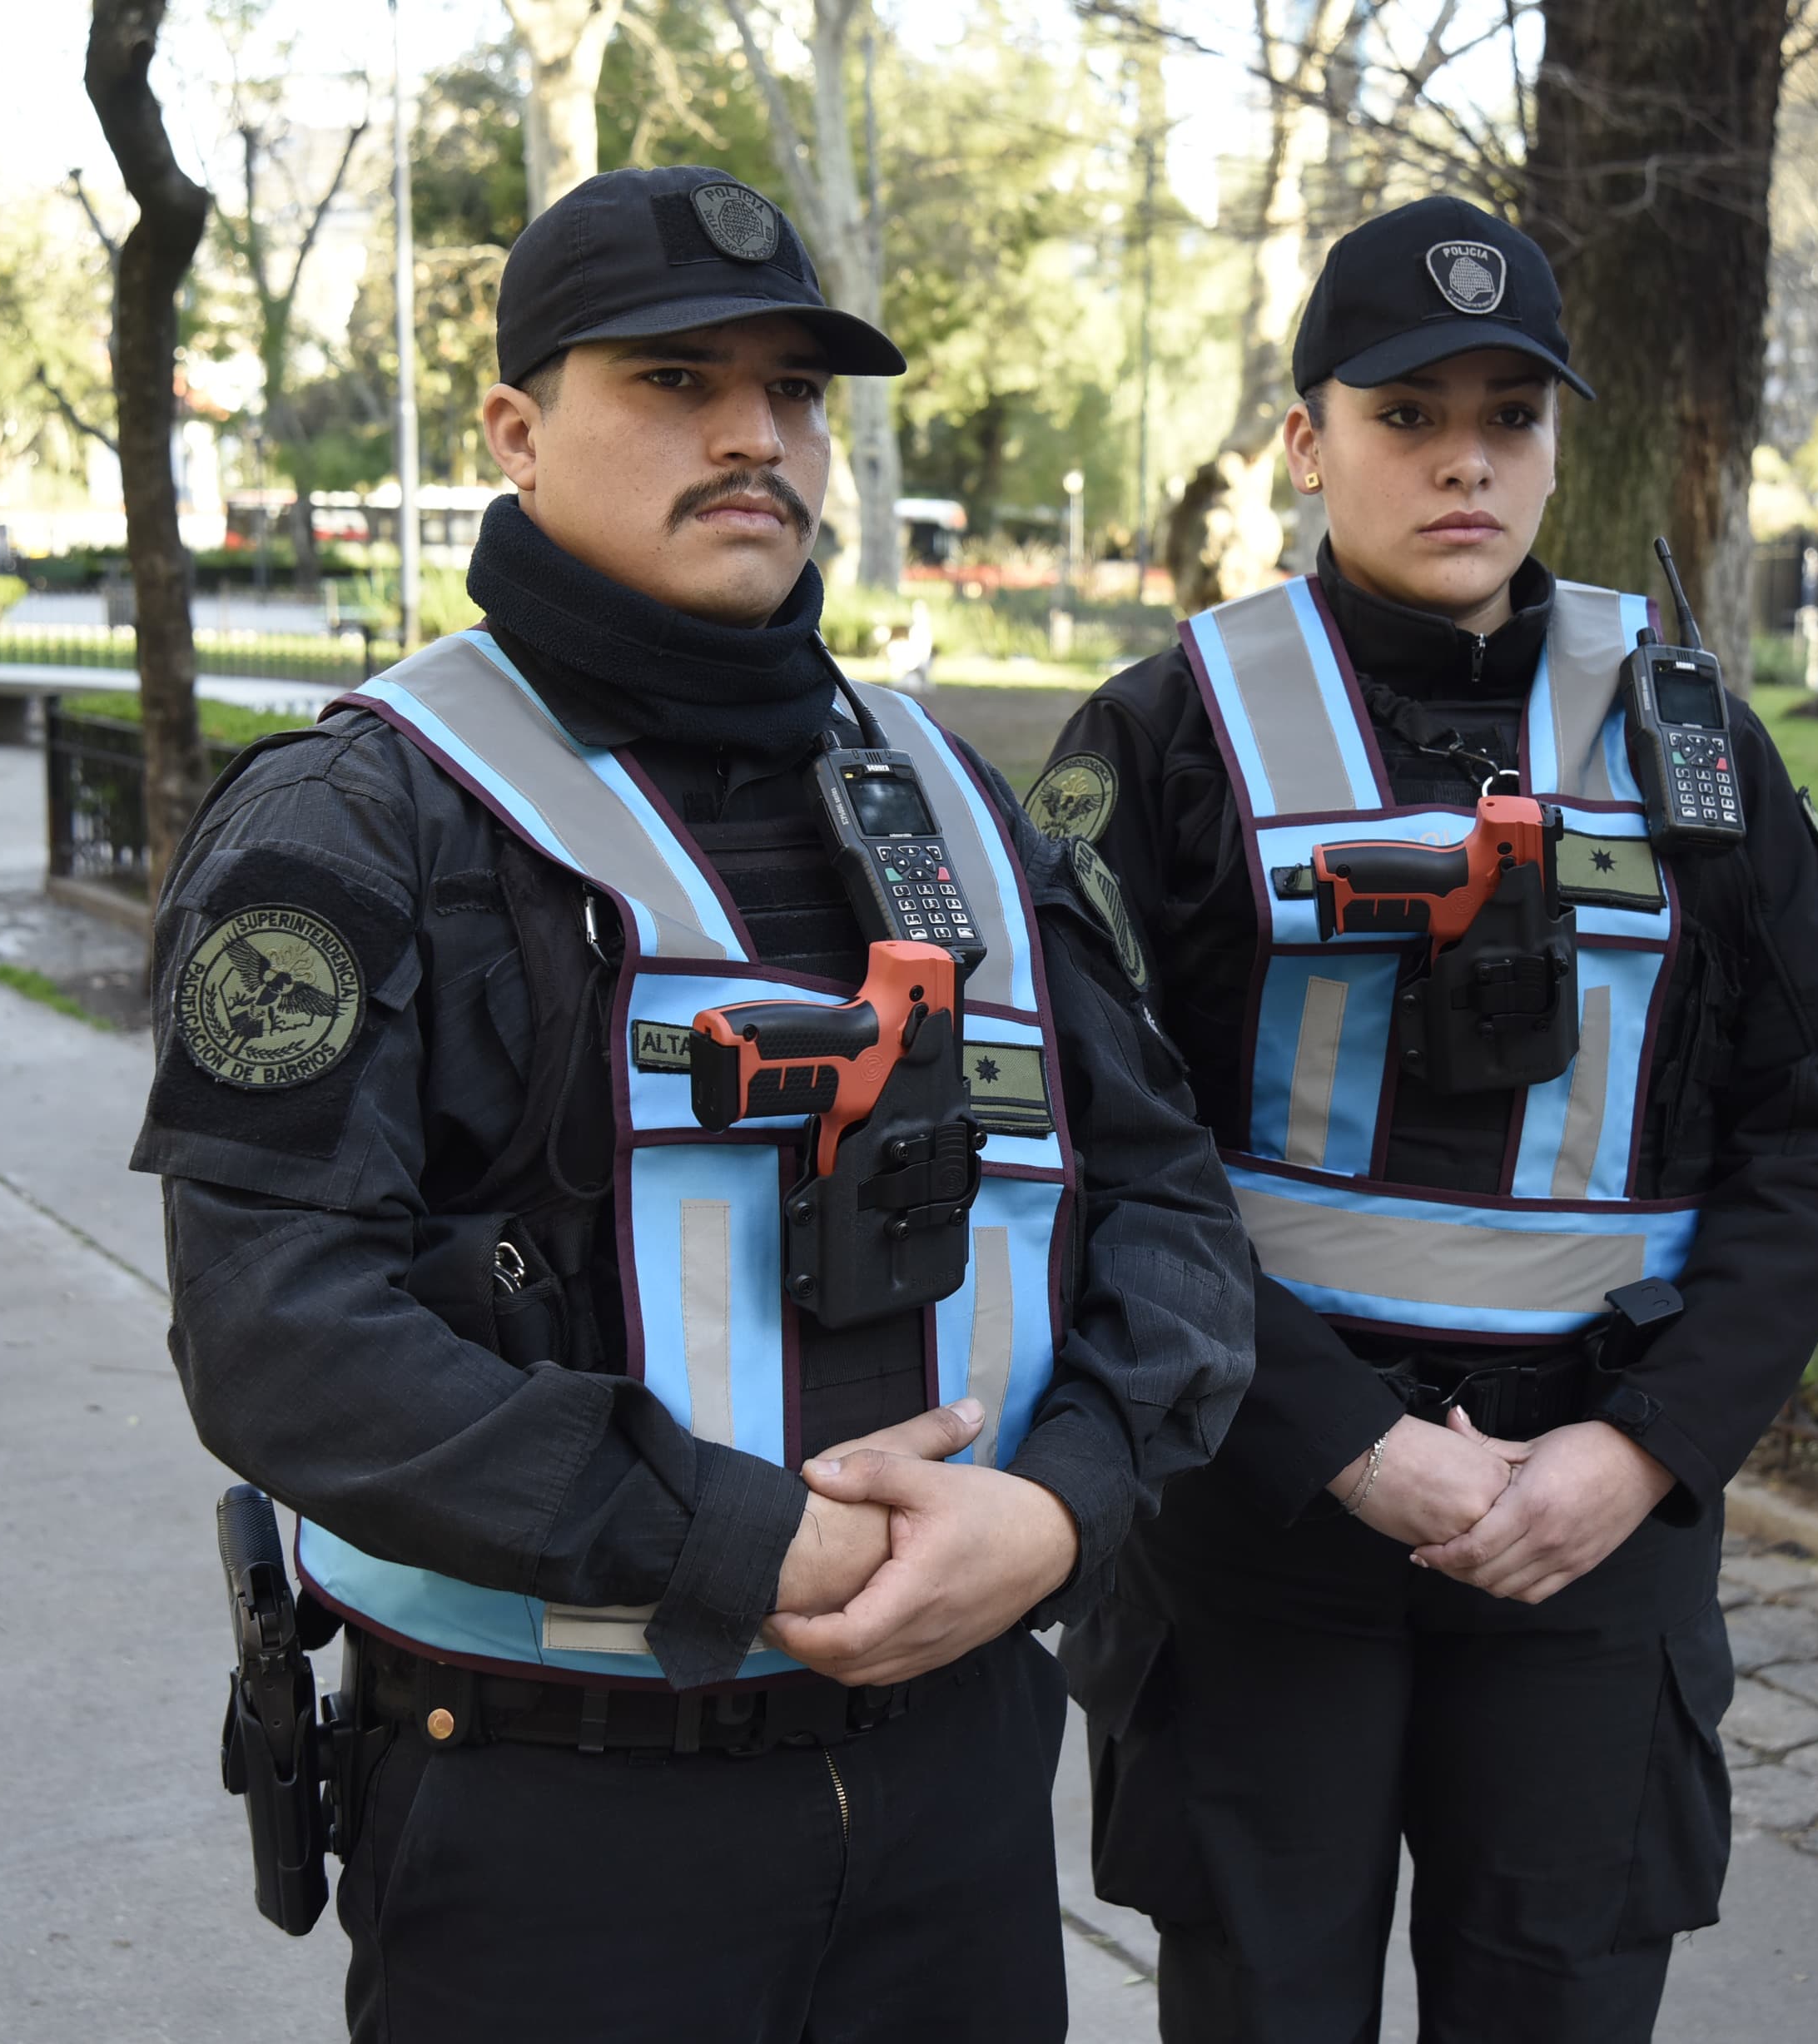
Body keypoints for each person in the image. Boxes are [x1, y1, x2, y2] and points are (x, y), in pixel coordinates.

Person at [134, 166, 1253, 2042]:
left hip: (955, 1797)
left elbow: (1170, 1220)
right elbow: (278, 1340)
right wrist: (732, 1543)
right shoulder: (360, 819)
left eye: (794, 391)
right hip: (560, 1826)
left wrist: (1059, 1513)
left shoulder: (959, 804)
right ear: (512, 427)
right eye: (672, 379)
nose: (754, 435)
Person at [1035, 196, 1818, 2043]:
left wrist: (1645, 1448)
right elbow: (1090, 1149)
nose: (1463, 462)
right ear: (1304, 440)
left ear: (1556, 445)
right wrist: (1343, 1437)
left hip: (1594, 1523)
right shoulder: (1171, 736)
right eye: (1407, 414)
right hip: (1266, 1514)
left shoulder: (1689, 743)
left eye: (1510, 417)